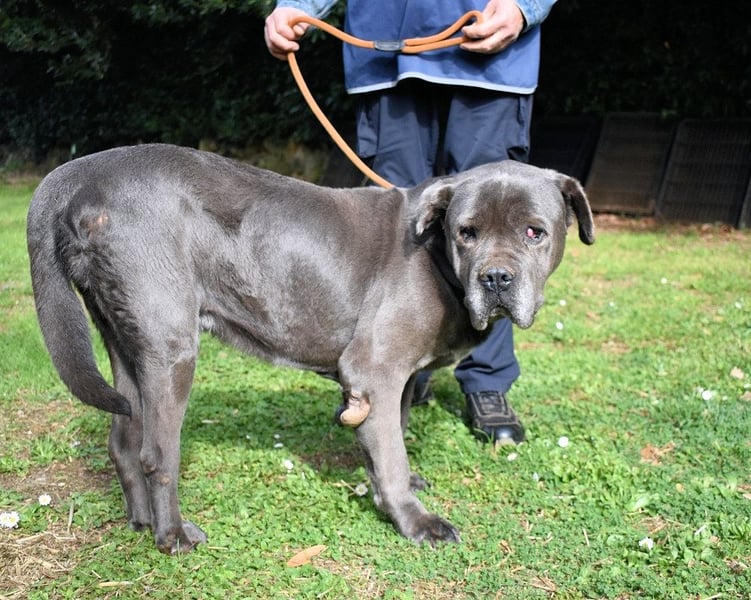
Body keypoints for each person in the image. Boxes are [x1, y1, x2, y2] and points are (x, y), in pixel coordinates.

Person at [265, 0, 557, 445]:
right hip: (386, 56)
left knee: (493, 232)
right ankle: (398, 366)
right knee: (392, 235)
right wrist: (296, 6)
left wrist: (524, 7)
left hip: (492, 60)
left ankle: (487, 380)